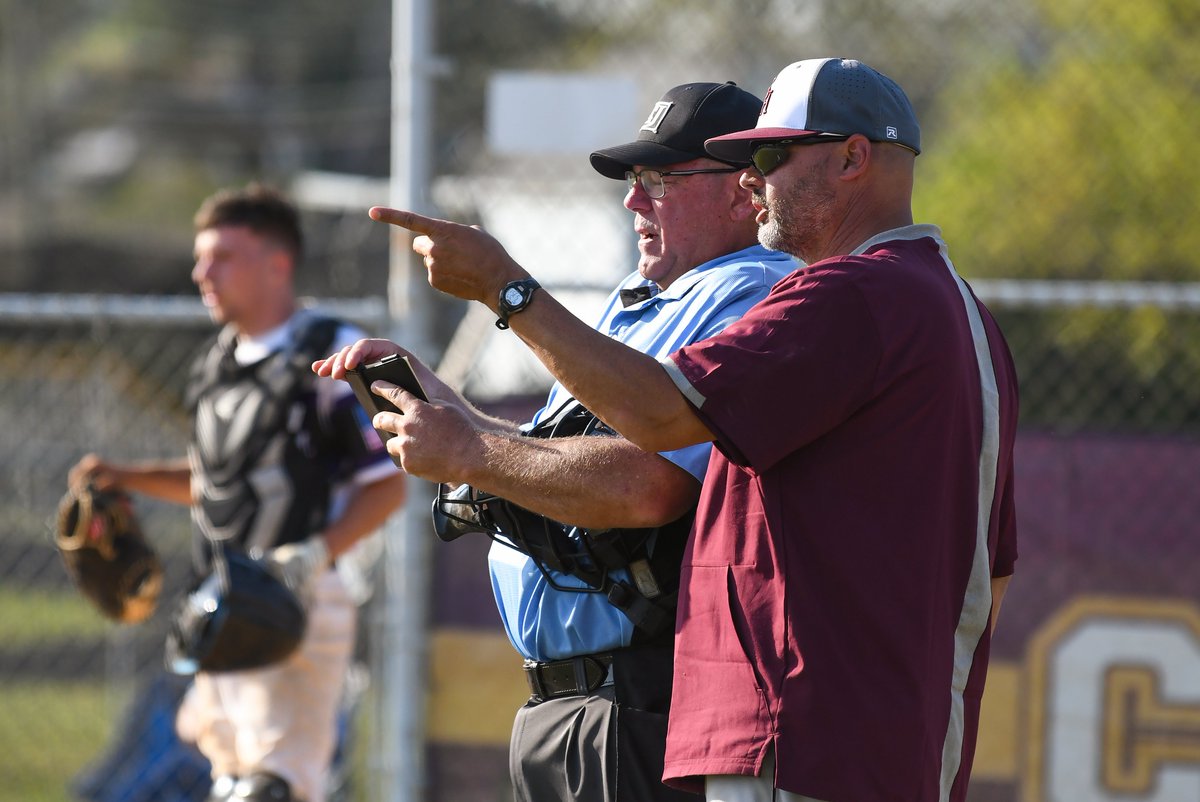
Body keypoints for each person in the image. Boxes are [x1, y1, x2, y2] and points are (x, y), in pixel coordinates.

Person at [350, 57, 1019, 802]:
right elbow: (990, 572)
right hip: (864, 733)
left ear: (853, 157)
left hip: (803, 737)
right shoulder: (962, 316)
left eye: (769, 156)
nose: (755, 179)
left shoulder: (852, 294)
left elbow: (659, 421)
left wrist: (504, 291)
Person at [317, 82, 796, 801]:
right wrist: (452, 416)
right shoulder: (641, 299)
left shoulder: (755, 290)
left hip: (639, 696)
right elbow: (560, 456)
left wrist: (501, 301)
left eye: (661, 179)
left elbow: (649, 484)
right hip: (568, 705)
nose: (635, 201)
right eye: (635, 180)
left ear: (745, 192)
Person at [70, 184, 406, 802]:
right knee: (230, 776)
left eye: (222, 256)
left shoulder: (332, 352)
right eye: (202, 257)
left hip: (298, 601)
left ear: (278, 263)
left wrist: (312, 557)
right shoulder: (217, 361)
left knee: (271, 785)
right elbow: (219, 483)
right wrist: (125, 478)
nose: (203, 272)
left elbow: (387, 485)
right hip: (225, 601)